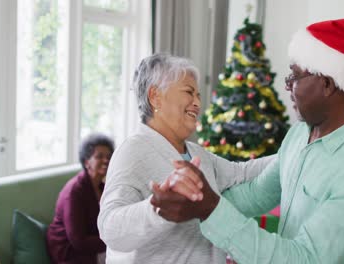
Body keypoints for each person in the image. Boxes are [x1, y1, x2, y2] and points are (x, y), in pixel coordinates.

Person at [151, 18, 344, 263]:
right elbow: (257, 192)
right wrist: (195, 199)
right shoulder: (300, 134)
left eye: (295, 76)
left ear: (327, 84)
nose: (288, 85)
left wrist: (210, 209)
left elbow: (304, 257)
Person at [97, 53, 274, 263]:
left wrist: (295, 150)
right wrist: (157, 209)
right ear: (155, 96)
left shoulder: (197, 154)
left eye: (198, 95)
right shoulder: (133, 151)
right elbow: (109, 229)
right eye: (189, 92)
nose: (198, 103)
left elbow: (243, 172)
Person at [47, 133, 114, 264]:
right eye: (99, 156)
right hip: (69, 252)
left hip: (95, 246)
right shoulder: (74, 192)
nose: (106, 160)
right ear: (86, 162)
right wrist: (114, 241)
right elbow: (79, 241)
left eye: (109, 157)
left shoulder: (102, 187)